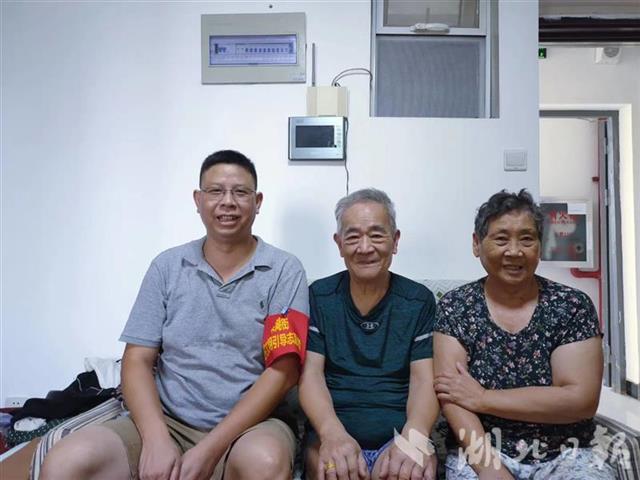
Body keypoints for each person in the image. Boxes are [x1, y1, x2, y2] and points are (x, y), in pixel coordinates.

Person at [40, 150, 309, 480]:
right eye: (215, 191)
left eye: (240, 192)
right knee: (66, 461)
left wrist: (210, 449)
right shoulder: (167, 266)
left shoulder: (284, 270)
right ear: (198, 200)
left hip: (251, 428)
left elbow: (283, 370)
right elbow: (137, 360)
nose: (228, 202)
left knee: (264, 463)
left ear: (258, 202)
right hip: (167, 421)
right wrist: (156, 440)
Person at [433, 189, 615, 480]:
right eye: (501, 239)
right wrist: (490, 470)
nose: (515, 251)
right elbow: (452, 397)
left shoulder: (571, 306)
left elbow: (580, 401)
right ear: (477, 244)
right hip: (484, 451)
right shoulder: (456, 306)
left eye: (527, 239)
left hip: (566, 453)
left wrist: (482, 398)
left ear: (540, 246)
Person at [299, 188, 438, 480]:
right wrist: (331, 434)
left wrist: (413, 437)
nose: (365, 247)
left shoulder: (418, 301)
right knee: (336, 472)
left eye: (376, 235)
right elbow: (311, 375)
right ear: (339, 244)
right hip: (331, 433)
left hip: (399, 434)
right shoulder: (319, 297)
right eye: (353, 237)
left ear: (395, 241)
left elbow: (424, 379)